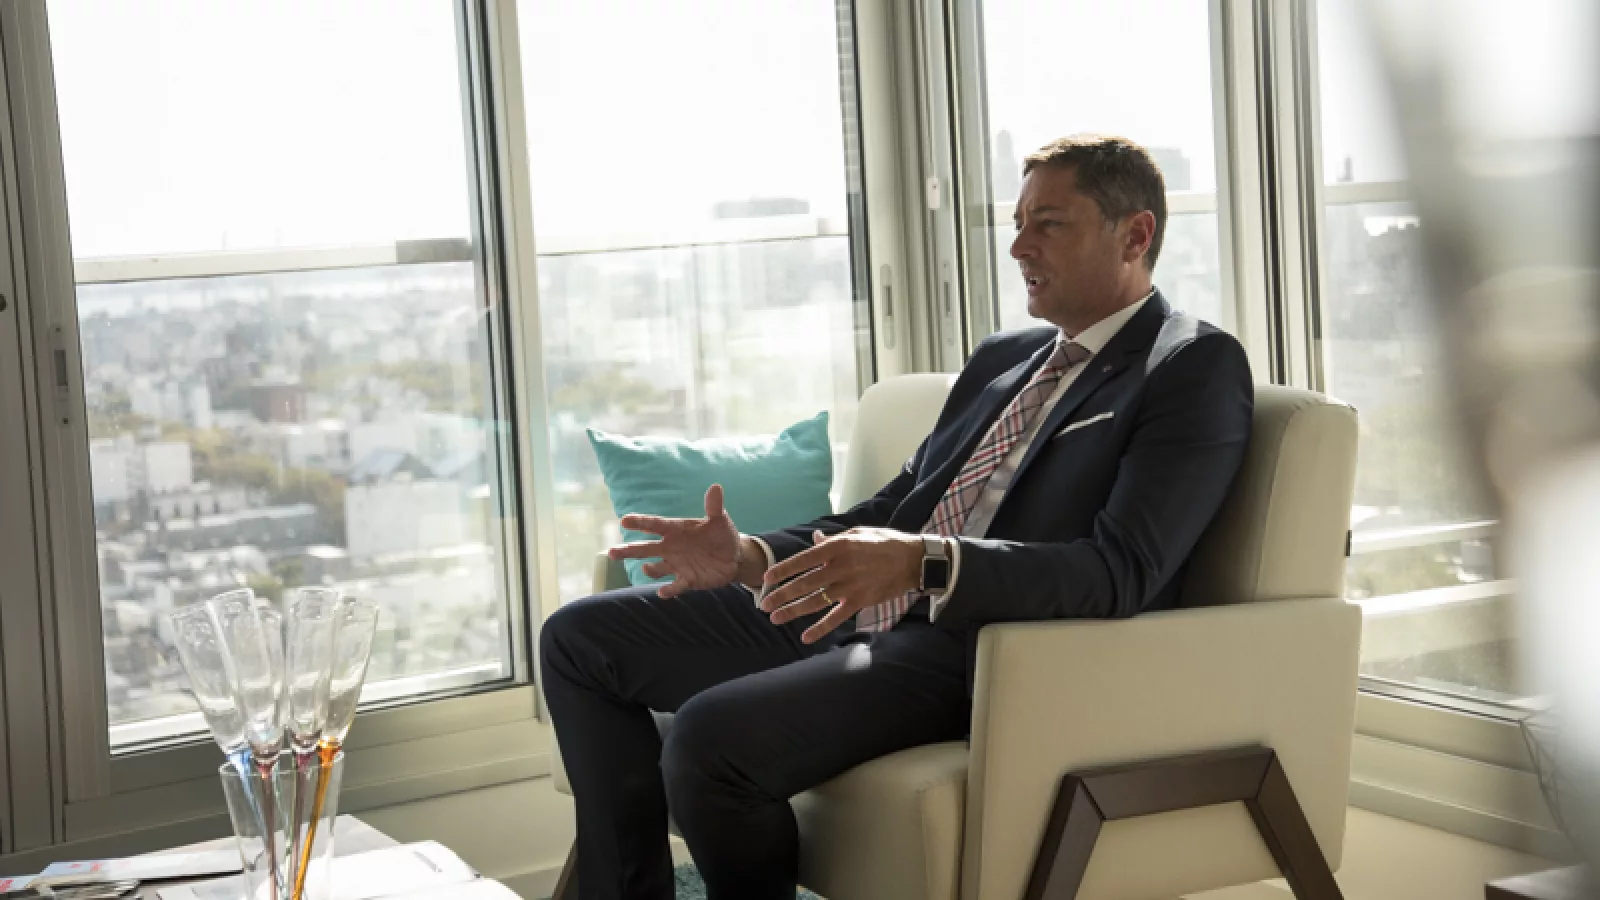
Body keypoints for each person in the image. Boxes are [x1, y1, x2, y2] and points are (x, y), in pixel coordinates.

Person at [539, 134, 1255, 900]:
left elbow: (1122, 571)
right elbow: (892, 509)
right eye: (1017, 223)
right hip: (859, 610)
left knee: (709, 738)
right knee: (579, 640)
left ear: (1135, 235)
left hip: (975, 651)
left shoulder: (1187, 366)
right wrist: (749, 556)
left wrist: (927, 564)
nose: (1018, 246)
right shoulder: (1004, 359)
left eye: (1048, 224)